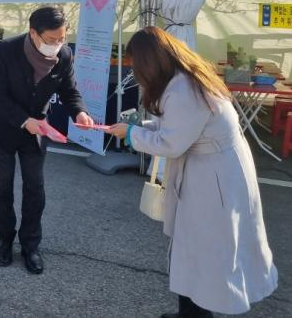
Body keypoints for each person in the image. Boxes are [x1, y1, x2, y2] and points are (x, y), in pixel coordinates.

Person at [105, 27, 277, 317]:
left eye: (136, 67)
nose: (136, 74)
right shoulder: (185, 78)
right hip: (212, 169)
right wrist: (136, 128)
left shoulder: (183, 89)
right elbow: (178, 128)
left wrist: (131, 134)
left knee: (205, 252)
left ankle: (196, 314)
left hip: (213, 176)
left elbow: (171, 143)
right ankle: (189, 312)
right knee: (194, 249)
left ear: (150, 62)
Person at [0, 6, 93, 274]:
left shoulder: (64, 55)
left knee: (35, 187)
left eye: (62, 38)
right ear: (33, 33)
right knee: (2, 186)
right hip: (1, 128)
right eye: (51, 39)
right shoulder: (6, 50)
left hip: (38, 129)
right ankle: (4, 240)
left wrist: (80, 112)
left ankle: (30, 245)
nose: (57, 44)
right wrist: (23, 120)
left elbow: (69, 91)